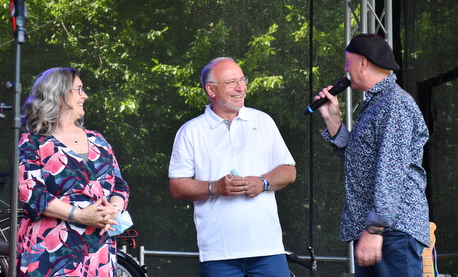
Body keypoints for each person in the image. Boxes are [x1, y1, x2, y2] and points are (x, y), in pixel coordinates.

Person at [168, 57, 296, 277]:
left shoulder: (263, 121)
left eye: (242, 80)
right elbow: (177, 187)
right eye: (231, 82)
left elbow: (289, 171)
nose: (241, 87)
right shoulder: (191, 130)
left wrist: (263, 182)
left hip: (268, 249)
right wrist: (215, 188)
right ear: (211, 89)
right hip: (218, 255)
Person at [315, 34, 430, 276]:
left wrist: (376, 228)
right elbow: (359, 163)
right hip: (378, 230)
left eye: (348, 63)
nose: (345, 70)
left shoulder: (395, 104)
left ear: (363, 63)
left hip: (392, 231)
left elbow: (391, 169)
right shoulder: (376, 104)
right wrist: (332, 119)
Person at [17, 67, 130, 276]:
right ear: (60, 96)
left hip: (99, 250)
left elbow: (120, 185)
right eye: (79, 90)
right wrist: (79, 215)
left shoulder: (98, 140)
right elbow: (32, 194)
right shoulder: (33, 143)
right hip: (52, 252)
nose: (85, 96)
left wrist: (114, 209)